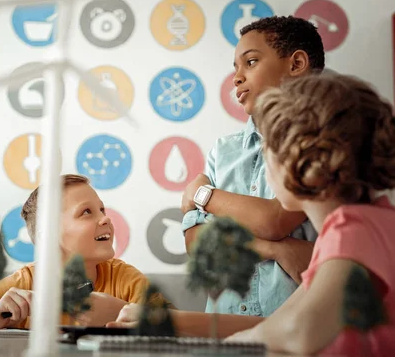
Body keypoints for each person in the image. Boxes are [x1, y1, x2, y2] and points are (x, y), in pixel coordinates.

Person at [111, 73, 395, 355]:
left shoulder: (355, 229)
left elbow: (299, 331)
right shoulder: (367, 225)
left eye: (267, 146)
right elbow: (279, 324)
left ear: (301, 159)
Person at [181, 16, 324, 317]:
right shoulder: (223, 151)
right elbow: (199, 246)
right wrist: (277, 249)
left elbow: (272, 221)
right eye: (235, 67)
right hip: (222, 332)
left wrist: (202, 195)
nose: (237, 77)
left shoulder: (325, 141)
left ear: (296, 64)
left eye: (251, 62)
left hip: (296, 331)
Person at [0, 174, 173, 332]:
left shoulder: (124, 278)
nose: (106, 219)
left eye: (102, 210)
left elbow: (180, 327)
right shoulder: (23, 284)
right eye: (87, 212)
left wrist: (123, 311)